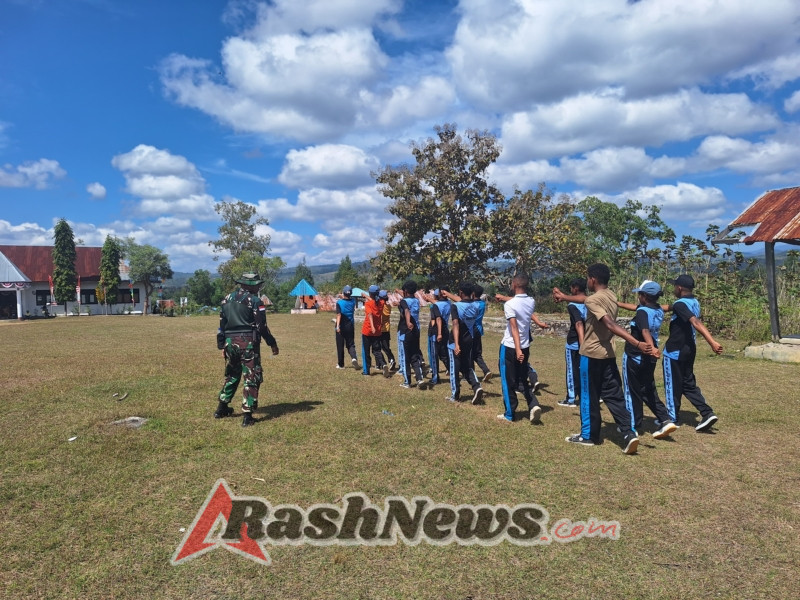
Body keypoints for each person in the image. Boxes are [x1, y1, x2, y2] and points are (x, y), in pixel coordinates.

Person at [553, 264, 657, 454]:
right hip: (608, 354)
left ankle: (588, 436)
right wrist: (564, 296)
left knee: (588, 396)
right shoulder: (611, 295)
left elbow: (609, 323)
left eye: (587, 278)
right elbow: (585, 299)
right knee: (614, 395)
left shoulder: (593, 300)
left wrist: (636, 343)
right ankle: (628, 433)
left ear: (592, 279)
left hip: (591, 354)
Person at [215, 272, 279, 427]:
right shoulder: (255, 301)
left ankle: (221, 408)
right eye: (257, 284)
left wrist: (221, 344)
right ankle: (247, 415)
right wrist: (272, 343)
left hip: (230, 343)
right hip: (248, 343)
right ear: (250, 285)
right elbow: (261, 326)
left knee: (232, 374)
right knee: (251, 376)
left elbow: (221, 326)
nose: (259, 286)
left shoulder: (226, 299)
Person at [661, 274, 723, 431]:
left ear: (679, 288)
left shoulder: (680, 304)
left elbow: (695, 322)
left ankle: (672, 419)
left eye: (675, 286)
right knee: (688, 384)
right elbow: (665, 308)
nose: (674, 288)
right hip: (689, 349)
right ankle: (707, 412)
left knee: (672, 385)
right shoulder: (693, 302)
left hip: (675, 351)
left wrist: (712, 342)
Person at [617, 280, 677, 439]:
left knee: (631, 390)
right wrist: (616, 303)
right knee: (648, 389)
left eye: (639, 294)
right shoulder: (657, 309)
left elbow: (644, 331)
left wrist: (651, 349)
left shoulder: (643, 312)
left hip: (637, 355)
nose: (637, 296)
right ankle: (665, 419)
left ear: (644, 296)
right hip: (650, 358)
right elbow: (634, 308)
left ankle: (632, 425)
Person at [496, 274, 542, 423]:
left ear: (514, 284)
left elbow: (514, 328)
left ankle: (510, 413)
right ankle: (533, 404)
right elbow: (518, 303)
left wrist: (517, 350)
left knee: (507, 381)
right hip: (525, 345)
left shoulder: (509, 305)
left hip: (510, 347)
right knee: (522, 379)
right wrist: (521, 349)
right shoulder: (531, 301)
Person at [445, 282, 483, 404]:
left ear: (461, 292)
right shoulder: (477, 305)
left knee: (454, 367)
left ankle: (455, 395)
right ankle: (476, 386)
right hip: (469, 339)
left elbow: (455, 324)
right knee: (467, 365)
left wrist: (456, 344)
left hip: (456, 341)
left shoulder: (455, 306)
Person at [558, 278, 587, 407]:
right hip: (587, 340)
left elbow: (578, 323)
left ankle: (570, 398)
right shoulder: (589, 302)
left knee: (571, 370)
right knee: (583, 370)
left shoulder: (572, 305)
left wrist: (582, 343)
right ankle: (585, 395)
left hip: (575, 342)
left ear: (575, 288)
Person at [397, 280, 430, 389]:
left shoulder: (403, 302)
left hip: (405, 331)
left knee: (405, 357)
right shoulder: (416, 301)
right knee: (415, 355)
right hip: (416, 331)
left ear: (405, 290)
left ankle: (407, 382)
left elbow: (406, 310)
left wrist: (407, 322)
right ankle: (420, 378)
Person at [424, 288, 451, 385]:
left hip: (435, 333)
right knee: (444, 355)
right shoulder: (448, 303)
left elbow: (437, 319)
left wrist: (438, 333)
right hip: (445, 331)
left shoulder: (435, 306)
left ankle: (435, 377)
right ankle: (453, 373)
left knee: (434, 355)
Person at [361, 285, 389, 377]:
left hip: (368, 330)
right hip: (377, 331)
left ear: (370, 293)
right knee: (376, 350)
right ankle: (383, 363)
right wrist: (366, 296)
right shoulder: (381, 303)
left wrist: (372, 326)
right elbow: (374, 300)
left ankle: (367, 371)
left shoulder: (368, 304)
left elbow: (369, 314)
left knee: (366, 351)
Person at [471, 285, 493, 383]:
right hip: (479, 330)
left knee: (470, 353)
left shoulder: (472, 304)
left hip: (472, 330)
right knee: (477, 353)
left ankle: (471, 374)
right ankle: (486, 370)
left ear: (473, 293)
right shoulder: (482, 304)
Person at [335, 285, 358, 369]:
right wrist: (343, 296)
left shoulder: (339, 303)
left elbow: (339, 315)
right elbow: (347, 299)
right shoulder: (353, 302)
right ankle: (354, 358)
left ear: (343, 293)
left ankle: (341, 364)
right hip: (350, 325)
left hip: (341, 325)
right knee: (351, 344)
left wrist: (337, 326)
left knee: (340, 345)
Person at [378, 290, 397, 374]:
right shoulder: (388, 306)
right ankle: (390, 360)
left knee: (379, 347)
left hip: (380, 329)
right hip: (387, 329)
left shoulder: (381, 306)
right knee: (386, 347)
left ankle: (389, 360)